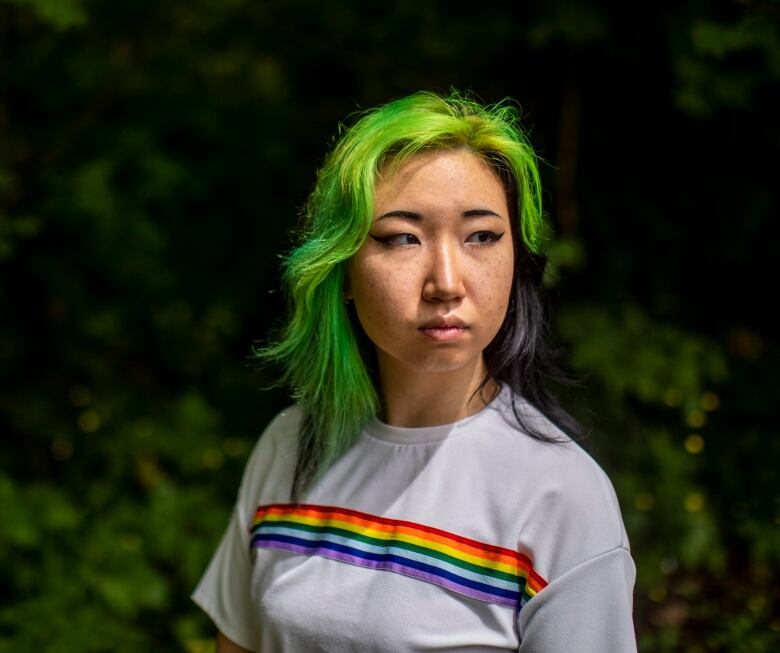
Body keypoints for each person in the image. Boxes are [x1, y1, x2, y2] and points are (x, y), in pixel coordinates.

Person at [192, 91, 637, 652]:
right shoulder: (290, 446)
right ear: (343, 270)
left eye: (481, 236)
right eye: (403, 237)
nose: (447, 282)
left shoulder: (561, 496)